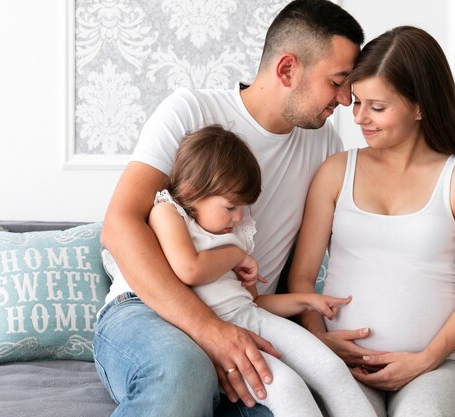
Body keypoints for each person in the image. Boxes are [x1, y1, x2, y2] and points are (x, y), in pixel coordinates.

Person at [94, 0, 364, 415]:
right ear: (287, 69)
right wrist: (209, 332)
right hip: (149, 308)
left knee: (302, 399)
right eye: (337, 82)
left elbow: (305, 266)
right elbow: (119, 225)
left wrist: (312, 339)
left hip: (245, 316)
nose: (346, 100)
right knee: (182, 372)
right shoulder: (191, 111)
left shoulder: (325, 144)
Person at [288, 26, 455, 417]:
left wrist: (424, 360)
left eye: (377, 107)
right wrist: (322, 341)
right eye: (356, 103)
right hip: (344, 363)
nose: (360, 118)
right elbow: (302, 279)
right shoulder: (336, 171)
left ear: (420, 106)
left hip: (438, 366)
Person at [148, 124, 377, 417]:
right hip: (215, 332)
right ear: (192, 192)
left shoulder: (238, 229)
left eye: (243, 207)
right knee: (288, 389)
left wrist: (307, 301)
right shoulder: (169, 213)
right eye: (231, 207)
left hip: (253, 317)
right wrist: (234, 255)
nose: (240, 216)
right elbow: (189, 270)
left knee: (330, 368)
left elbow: (254, 302)